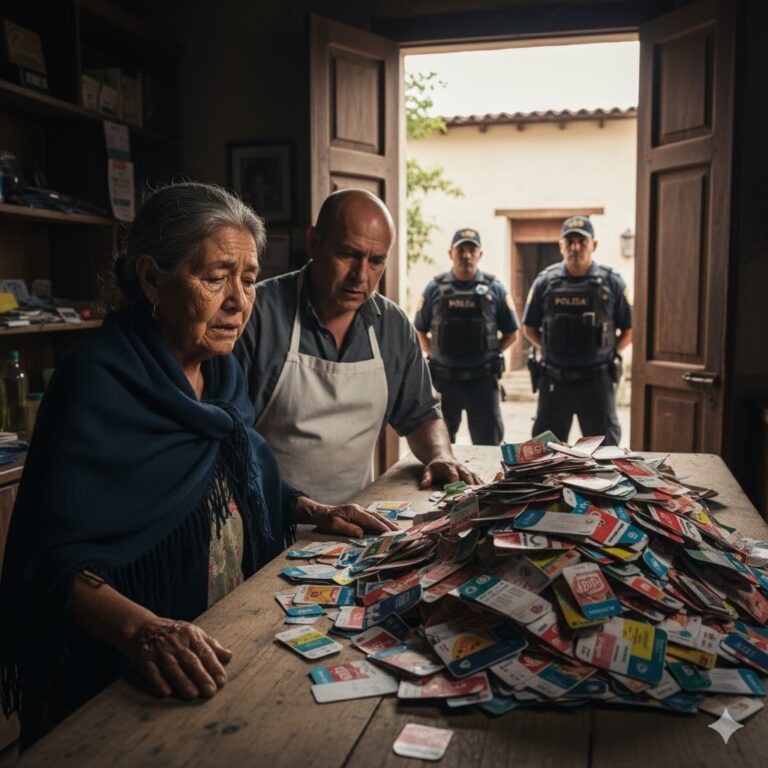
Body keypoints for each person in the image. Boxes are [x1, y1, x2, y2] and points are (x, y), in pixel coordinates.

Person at [0, 182, 396, 749]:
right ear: (151, 279)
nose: (238, 301)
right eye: (216, 278)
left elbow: (236, 476)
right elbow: (49, 563)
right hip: (118, 677)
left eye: (249, 280)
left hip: (217, 649)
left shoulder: (220, 376)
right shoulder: (94, 384)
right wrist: (144, 631)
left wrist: (308, 507)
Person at [236, 189, 481, 504]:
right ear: (313, 242)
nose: (360, 276)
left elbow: (420, 414)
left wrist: (440, 454)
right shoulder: (256, 316)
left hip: (357, 515)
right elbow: (229, 438)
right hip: (268, 514)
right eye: (348, 255)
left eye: (376, 261)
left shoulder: (392, 327)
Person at [522, 215, 633, 446]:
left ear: (594, 244)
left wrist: (609, 351)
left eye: (582, 241)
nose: (576, 247)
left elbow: (630, 329)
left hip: (597, 382)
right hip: (554, 382)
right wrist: (550, 348)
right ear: (561, 246)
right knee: (546, 452)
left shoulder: (612, 282)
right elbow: (529, 327)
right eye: (570, 241)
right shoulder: (544, 282)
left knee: (604, 453)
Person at [414, 228, 519, 445]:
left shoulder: (495, 288)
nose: (466, 255)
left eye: (472, 250)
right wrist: (433, 353)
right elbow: (419, 330)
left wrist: (493, 352)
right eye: (461, 250)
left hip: (483, 381)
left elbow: (512, 332)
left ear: (480, 254)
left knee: (488, 445)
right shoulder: (434, 288)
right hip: (445, 382)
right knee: (439, 445)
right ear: (450, 253)